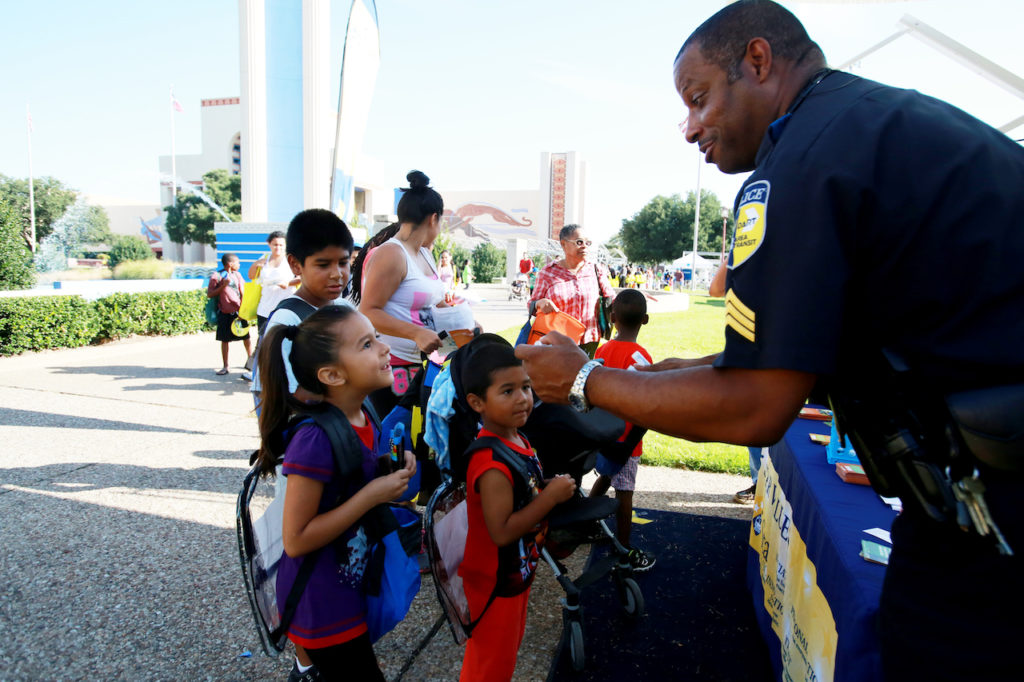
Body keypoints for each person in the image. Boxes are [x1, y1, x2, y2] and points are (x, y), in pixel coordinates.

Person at [515, 1, 1024, 679]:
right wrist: (671, 374)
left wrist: (580, 380)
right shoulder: (866, 122)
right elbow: (797, 355)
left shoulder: (798, 161)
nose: (691, 127)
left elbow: (755, 406)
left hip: (993, 521)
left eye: (699, 100)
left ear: (758, 60)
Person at [254, 305, 415, 681]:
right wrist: (373, 494)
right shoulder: (314, 439)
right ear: (331, 375)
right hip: (321, 601)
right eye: (366, 344)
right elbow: (295, 540)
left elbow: (353, 478)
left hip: (346, 585)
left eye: (377, 337)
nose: (384, 348)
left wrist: (389, 468)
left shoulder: (363, 414)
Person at [458, 339, 576, 681]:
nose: (523, 398)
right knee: (490, 663)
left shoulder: (518, 440)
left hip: (517, 571)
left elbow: (522, 491)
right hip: (494, 581)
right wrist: (549, 498)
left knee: (501, 654)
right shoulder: (491, 463)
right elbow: (503, 531)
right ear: (477, 402)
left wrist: (545, 486)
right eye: (507, 391)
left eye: (526, 386)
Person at [356, 171, 466, 417]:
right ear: (434, 218)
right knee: (396, 440)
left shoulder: (424, 252)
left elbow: (434, 304)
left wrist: (464, 321)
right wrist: (416, 333)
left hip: (429, 362)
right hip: (394, 368)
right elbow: (368, 311)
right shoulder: (391, 254)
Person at [250, 209, 355, 415]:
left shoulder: (345, 308)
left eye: (343, 262)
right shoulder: (288, 318)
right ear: (295, 265)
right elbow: (277, 393)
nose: (337, 274)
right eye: (323, 265)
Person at [587, 289, 656, 571]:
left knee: (605, 474)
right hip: (628, 441)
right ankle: (624, 550)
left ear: (612, 318)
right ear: (646, 320)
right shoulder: (642, 358)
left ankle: (585, 520)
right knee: (625, 492)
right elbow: (648, 407)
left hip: (603, 435)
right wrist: (629, 444)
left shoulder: (602, 351)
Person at [529, 224, 615, 357]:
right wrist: (540, 303)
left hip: (589, 340)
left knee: (583, 377)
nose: (584, 246)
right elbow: (532, 304)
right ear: (563, 244)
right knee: (559, 377)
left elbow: (612, 298)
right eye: (579, 242)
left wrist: (632, 297)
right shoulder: (547, 272)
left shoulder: (596, 270)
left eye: (588, 242)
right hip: (557, 341)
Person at [248, 230, 301, 340]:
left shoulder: (291, 259)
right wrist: (255, 264)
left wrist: (288, 283)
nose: (278, 248)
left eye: (281, 245)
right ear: (269, 244)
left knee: (285, 340)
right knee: (264, 341)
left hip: (286, 306)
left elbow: (302, 277)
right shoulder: (264, 258)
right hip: (265, 308)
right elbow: (251, 276)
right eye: (275, 244)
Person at [207, 253, 253, 375]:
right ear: (230, 264)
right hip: (224, 312)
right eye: (237, 262)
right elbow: (210, 294)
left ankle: (250, 361)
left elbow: (244, 292)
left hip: (239, 313)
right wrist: (223, 286)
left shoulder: (237, 275)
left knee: (246, 338)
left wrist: (244, 310)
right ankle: (225, 366)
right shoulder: (216, 276)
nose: (239, 264)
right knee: (224, 340)